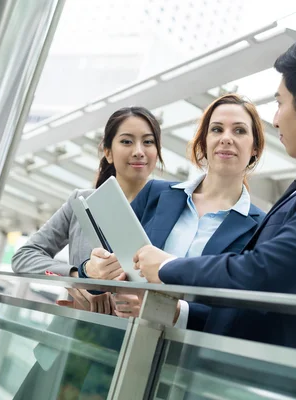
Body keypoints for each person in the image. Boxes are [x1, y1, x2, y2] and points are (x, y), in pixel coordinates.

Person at [135, 36, 296, 354]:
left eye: (280, 102)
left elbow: (259, 273)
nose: (276, 118)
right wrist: (180, 313)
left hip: (265, 381)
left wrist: (167, 267)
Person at [11, 106, 163, 399]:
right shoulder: (81, 203)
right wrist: (74, 275)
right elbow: (24, 255)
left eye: (148, 141)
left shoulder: (171, 212)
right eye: (127, 141)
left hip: (126, 355)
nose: (139, 151)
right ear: (107, 152)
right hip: (68, 344)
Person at [94, 93, 266, 326]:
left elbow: (242, 315)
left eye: (239, 131)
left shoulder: (260, 227)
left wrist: (170, 311)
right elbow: (108, 254)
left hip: (186, 355)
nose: (226, 138)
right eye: (216, 129)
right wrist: (95, 268)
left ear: (255, 147)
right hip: (123, 338)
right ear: (203, 141)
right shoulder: (155, 194)